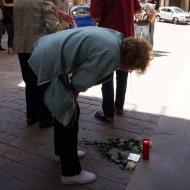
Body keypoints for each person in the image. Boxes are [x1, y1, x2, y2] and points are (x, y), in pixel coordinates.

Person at [28, 26, 153, 184]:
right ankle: (70, 173)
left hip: (46, 49)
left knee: (65, 112)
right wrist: (72, 96)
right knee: (69, 116)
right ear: (129, 61)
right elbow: (80, 81)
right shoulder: (112, 55)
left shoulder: (115, 39)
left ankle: (62, 152)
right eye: (133, 68)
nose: (129, 71)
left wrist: (72, 94)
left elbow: (80, 77)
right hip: (47, 59)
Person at [13, 0, 73, 128]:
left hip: (21, 47)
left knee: (29, 82)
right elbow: (53, 28)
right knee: (43, 82)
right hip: (38, 47)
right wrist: (66, 30)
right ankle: (45, 118)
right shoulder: (44, 1)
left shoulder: (17, 1)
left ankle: (31, 115)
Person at [90, 0, 142, 123]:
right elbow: (137, 10)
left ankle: (108, 114)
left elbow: (96, 17)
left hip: (108, 39)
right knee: (123, 73)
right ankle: (119, 107)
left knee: (107, 77)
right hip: (127, 37)